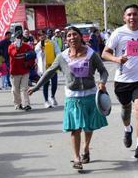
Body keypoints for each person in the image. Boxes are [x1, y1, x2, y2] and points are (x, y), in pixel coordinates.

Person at [28, 26, 109, 170]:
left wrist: (102, 82)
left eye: (75, 34)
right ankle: (76, 157)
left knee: (89, 127)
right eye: (69, 35)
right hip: (73, 97)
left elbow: (103, 71)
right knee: (75, 129)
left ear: (81, 36)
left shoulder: (91, 54)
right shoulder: (62, 57)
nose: (72, 38)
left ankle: (86, 148)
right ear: (66, 40)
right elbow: (49, 73)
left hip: (91, 95)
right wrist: (36, 87)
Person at [101, 4, 138, 160]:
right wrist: (117, 59)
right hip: (122, 81)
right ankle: (127, 129)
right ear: (124, 18)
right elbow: (105, 53)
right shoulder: (118, 33)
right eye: (129, 15)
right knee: (125, 111)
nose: (132, 17)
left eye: (135, 14)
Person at [9, 31, 35, 111]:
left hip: (24, 71)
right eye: (18, 38)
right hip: (15, 72)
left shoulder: (26, 46)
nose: (19, 39)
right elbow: (13, 54)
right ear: (15, 39)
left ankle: (26, 104)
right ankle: (18, 104)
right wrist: (17, 47)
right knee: (15, 90)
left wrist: (29, 63)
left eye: (21, 38)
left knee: (24, 88)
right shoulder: (11, 47)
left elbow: (33, 55)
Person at [35, 30, 61, 108]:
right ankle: (46, 101)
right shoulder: (38, 46)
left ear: (46, 35)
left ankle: (52, 96)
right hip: (44, 68)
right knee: (45, 84)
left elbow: (58, 52)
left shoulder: (52, 42)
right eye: (40, 35)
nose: (42, 36)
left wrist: (58, 62)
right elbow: (38, 56)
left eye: (43, 34)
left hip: (53, 66)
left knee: (54, 83)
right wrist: (42, 50)